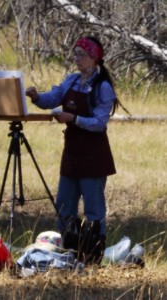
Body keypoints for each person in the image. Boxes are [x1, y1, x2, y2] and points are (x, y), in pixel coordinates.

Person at [26, 36, 118, 264]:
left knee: (94, 209)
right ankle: (67, 252)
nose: (76, 59)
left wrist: (73, 118)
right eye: (75, 54)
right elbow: (53, 98)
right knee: (64, 206)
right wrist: (37, 97)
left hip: (94, 156)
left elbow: (99, 123)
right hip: (72, 154)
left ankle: (93, 256)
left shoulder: (102, 87)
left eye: (81, 54)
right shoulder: (72, 81)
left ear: (94, 58)